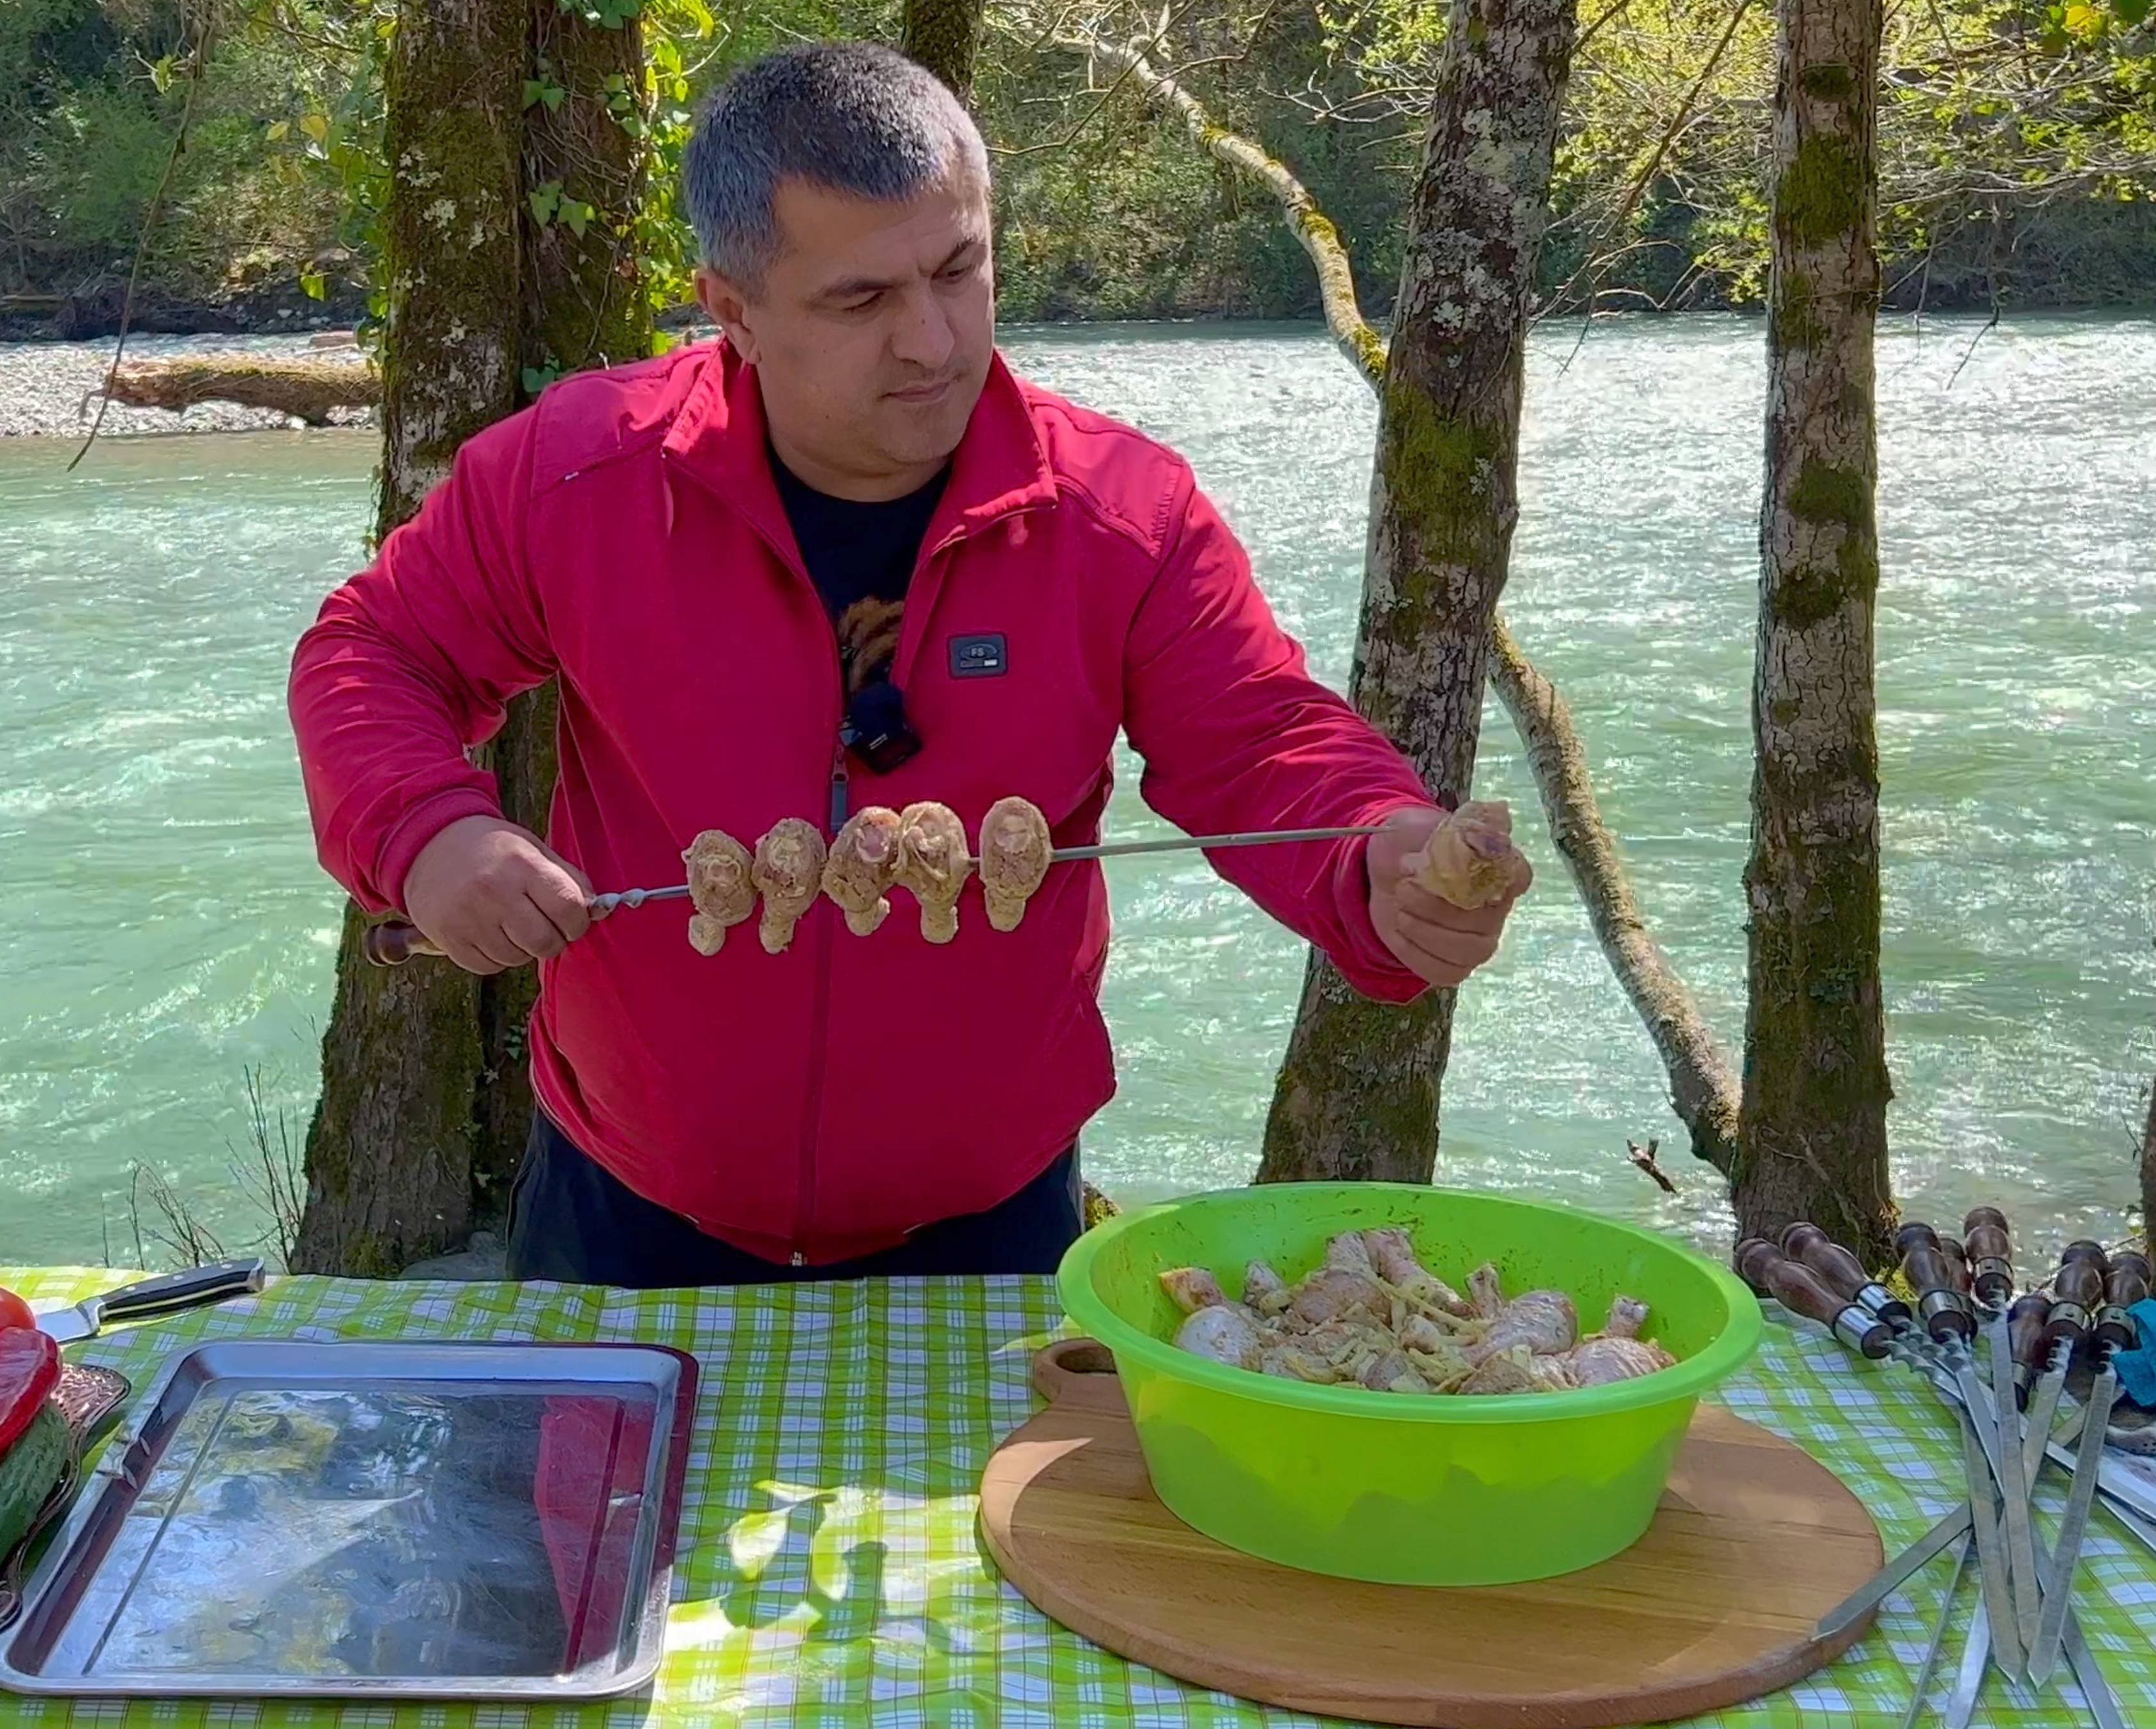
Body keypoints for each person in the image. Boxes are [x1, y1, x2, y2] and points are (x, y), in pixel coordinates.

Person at [289, 42, 1528, 1287]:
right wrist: (432, 835)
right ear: (733, 310)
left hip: (992, 1223)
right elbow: (374, 653)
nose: (933, 341)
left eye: (959, 269)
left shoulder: (1114, 515)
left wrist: (1380, 857)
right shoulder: (580, 476)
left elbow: (1261, 742)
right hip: (626, 1204)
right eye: (862, 299)